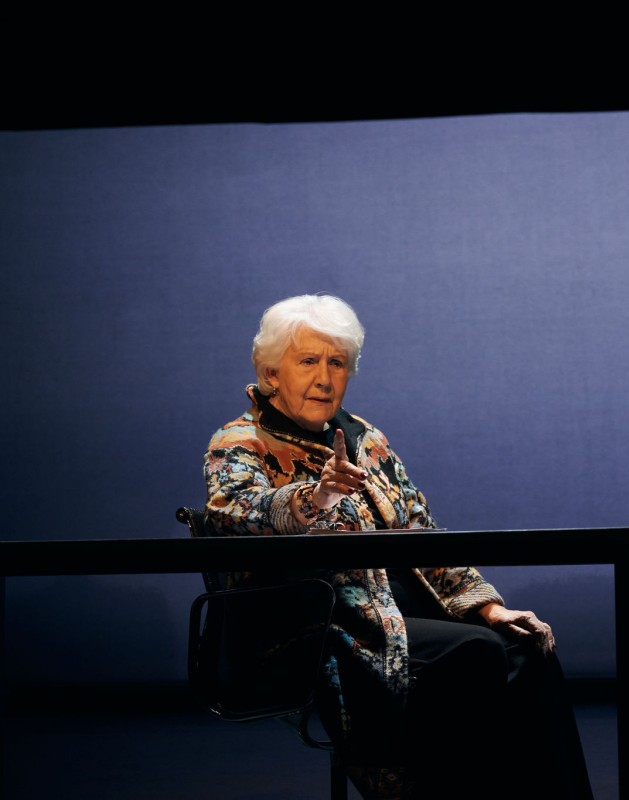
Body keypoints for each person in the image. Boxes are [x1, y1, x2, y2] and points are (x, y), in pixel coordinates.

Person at [204, 294, 593, 800]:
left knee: (528, 648)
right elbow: (236, 513)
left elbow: (421, 531)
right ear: (271, 373)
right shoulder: (239, 440)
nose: (324, 378)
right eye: (308, 361)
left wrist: (490, 608)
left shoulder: (366, 439)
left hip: (401, 613)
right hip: (316, 626)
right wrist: (314, 497)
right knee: (472, 653)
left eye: (337, 363)